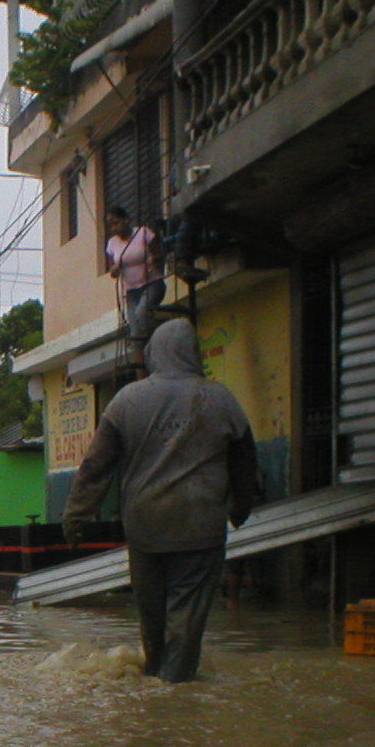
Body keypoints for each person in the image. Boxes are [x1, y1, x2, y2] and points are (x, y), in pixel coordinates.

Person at [62, 319, 261, 683]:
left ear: (155, 354)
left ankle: (153, 684)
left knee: (151, 614)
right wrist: (240, 507)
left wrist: (76, 516)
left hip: (145, 525)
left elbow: (95, 466)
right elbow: (245, 461)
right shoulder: (221, 398)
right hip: (201, 526)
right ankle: (175, 694)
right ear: (193, 353)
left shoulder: (126, 400)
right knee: (186, 615)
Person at [105, 206, 165, 364]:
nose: (114, 228)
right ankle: (142, 374)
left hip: (151, 284)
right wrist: (115, 270)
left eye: (116, 223)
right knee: (135, 334)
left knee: (141, 314)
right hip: (131, 291)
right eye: (111, 225)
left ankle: (158, 348)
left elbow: (159, 253)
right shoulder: (112, 244)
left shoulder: (143, 233)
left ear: (126, 220)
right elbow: (112, 269)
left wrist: (153, 258)